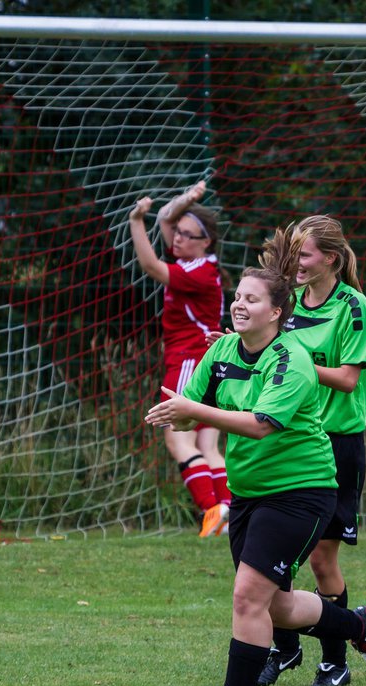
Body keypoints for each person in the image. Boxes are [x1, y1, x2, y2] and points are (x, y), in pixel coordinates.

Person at [144, 226, 366, 686]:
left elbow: (259, 426)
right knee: (274, 606)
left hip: (300, 491)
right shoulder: (223, 351)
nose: (238, 305)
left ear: (277, 312)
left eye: (251, 299)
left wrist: (196, 412)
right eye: (237, 297)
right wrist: (178, 413)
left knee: (247, 596)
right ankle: (356, 625)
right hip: (250, 491)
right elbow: (196, 409)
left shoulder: (291, 358)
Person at [257, 214, 366, 686]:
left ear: (329, 257)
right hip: (292, 440)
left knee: (320, 561)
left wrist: (297, 360)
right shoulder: (287, 304)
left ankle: (333, 662)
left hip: (336, 445)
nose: (296, 264)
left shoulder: (353, 306)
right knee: (273, 555)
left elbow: (348, 378)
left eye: (304, 255)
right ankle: (284, 649)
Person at [129, 181, 231, 537]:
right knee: (206, 446)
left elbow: (151, 265)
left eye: (188, 235)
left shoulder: (197, 271)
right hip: (208, 361)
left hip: (191, 361)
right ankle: (228, 512)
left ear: (206, 242)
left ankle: (211, 512)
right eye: (179, 234)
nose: (179, 239)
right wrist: (187, 199)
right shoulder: (199, 263)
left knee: (178, 441)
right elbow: (166, 219)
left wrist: (134, 222)